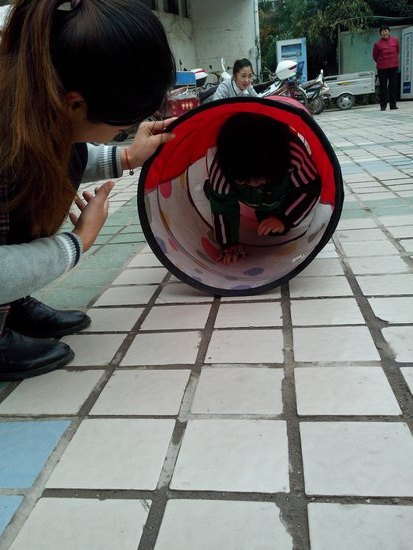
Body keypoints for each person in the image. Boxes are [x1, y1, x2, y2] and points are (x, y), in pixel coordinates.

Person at [0, 0, 177, 380]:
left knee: (60, 160)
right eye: (122, 128)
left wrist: (127, 156)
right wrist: (78, 241)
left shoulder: (29, 97)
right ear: (75, 103)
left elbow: (65, 148)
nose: (123, 133)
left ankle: (10, 305)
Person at [205, 113, 321, 265]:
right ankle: (210, 188)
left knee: (273, 228)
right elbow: (223, 207)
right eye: (245, 180)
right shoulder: (222, 169)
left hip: (279, 193)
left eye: (263, 179)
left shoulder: (294, 156)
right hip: (242, 193)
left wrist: (284, 219)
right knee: (218, 194)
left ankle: (268, 207)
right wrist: (229, 245)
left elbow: (309, 189)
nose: (253, 184)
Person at [373, 25, 400, 111]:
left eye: (386, 30)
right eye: (382, 31)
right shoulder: (377, 44)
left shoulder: (395, 40)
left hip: (393, 67)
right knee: (383, 87)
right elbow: (375, 56)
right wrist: (381, 62)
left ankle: (393, 105)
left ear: (389, 31)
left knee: (393, 86)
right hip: (382, 68)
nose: (384, 32)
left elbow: (397, 51)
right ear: (380, 33)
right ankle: (383, 106)